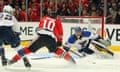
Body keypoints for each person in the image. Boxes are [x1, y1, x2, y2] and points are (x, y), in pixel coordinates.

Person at [8, 9, 76, 66]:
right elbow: (60, 33)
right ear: (56, 16)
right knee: (56, 50)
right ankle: (70, 59)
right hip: (50, 38)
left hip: (40, 37)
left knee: (27, 49)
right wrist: (59, 41)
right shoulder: (57, 21)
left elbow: (39, 28)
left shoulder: (43, 18)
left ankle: (14, 60)